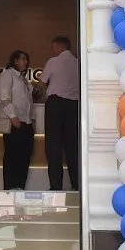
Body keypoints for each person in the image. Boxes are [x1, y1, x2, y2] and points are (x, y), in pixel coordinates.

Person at [39, 35, 80, 191]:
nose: (52, 51)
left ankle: (56, 185)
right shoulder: (78, 63)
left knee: (53, 146)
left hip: (55, 105)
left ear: (60, 47)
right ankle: (76, 184)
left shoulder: (53, 62)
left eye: (53, 47)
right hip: (74, 106)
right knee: (73, 146)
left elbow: (42, 83)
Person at [0, 50, 35, 191]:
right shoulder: (8, 75)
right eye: (22, 59)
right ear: (15, 60)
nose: (25, 62)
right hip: (14, 122)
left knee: (24, 155)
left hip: (26, 122)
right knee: (12, 155)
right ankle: (10, 187)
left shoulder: (22, 79)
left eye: (26, 59)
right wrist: (13, 116)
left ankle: (19, 187)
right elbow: (3, 97)